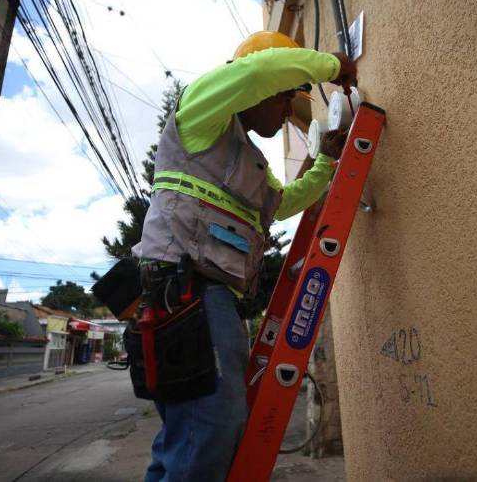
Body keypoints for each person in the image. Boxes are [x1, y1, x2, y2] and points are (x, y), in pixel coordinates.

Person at [133, 31, 357, 482]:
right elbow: (256, 71)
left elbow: (284, 202)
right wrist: (333, 66)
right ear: (257, 92)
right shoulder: (199, 110)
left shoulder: (246, 160)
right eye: (283, 98)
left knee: (188, 437)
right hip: (187, 295)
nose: (284, 109)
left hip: (202, 298)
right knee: (207, 432)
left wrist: (325, 165)